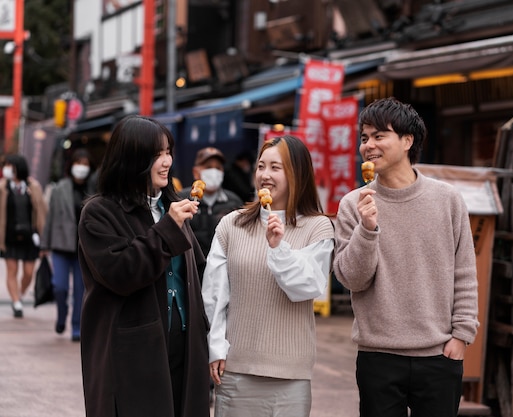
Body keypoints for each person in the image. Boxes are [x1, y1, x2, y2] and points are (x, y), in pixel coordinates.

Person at [332, 97, 479, 417]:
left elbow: (465, 271)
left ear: (407, 141)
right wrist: (367, 229)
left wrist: (462, 336)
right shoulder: (353, 204)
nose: (368, 145)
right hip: (378, 355)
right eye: (364, 138)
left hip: (439, 354)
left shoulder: (447, 200)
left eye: (379, 136)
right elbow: (351, 278)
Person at [77, 115, 211, 417]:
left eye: (168, 152)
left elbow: (196, 273)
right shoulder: (99, 212)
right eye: (156, 154)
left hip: (185, 345)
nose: (166, 161)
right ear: (131, 158)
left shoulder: (171, 205)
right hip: (133, 353)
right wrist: (167, 228)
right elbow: (122, 273)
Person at [202, 135, 334, 417]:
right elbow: (214, 295)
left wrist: (278, 248)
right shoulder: (231, 224)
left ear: (297, 173)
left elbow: (308, 286)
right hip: (236, 368)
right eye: (261, 166)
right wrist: (216, 348)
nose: (265, 175)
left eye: (276, 167)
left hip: (291, 374)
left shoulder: (317, 226)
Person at [41, 148, 95, 341]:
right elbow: (50, 218)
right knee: (59, 287)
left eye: (86, 164)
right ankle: (61, 316)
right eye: (78, 163)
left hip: (84, 248)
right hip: (61, 245)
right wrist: (44, 245)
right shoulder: (59, 188)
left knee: (81, 290)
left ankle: (76, 326)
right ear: (71, 165)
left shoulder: (93, 189)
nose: (81, 167)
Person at [0, 154, 47, 318]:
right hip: (9, 236)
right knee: (11, 270)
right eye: (5, 165)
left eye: (9, 166)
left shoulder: (33, 186)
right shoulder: (2, 187)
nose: (6, 169)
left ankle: (20, 293)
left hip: (30, 236)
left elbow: (42, 212)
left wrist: (44, 239)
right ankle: (16, 303)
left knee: (28, 272)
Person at [179, 146, 243, 257]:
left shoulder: (234, 202)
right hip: (190, 268)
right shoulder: (181, 200)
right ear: (195, 172)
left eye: (218, 168)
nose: (214, 172)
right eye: (208, 167)